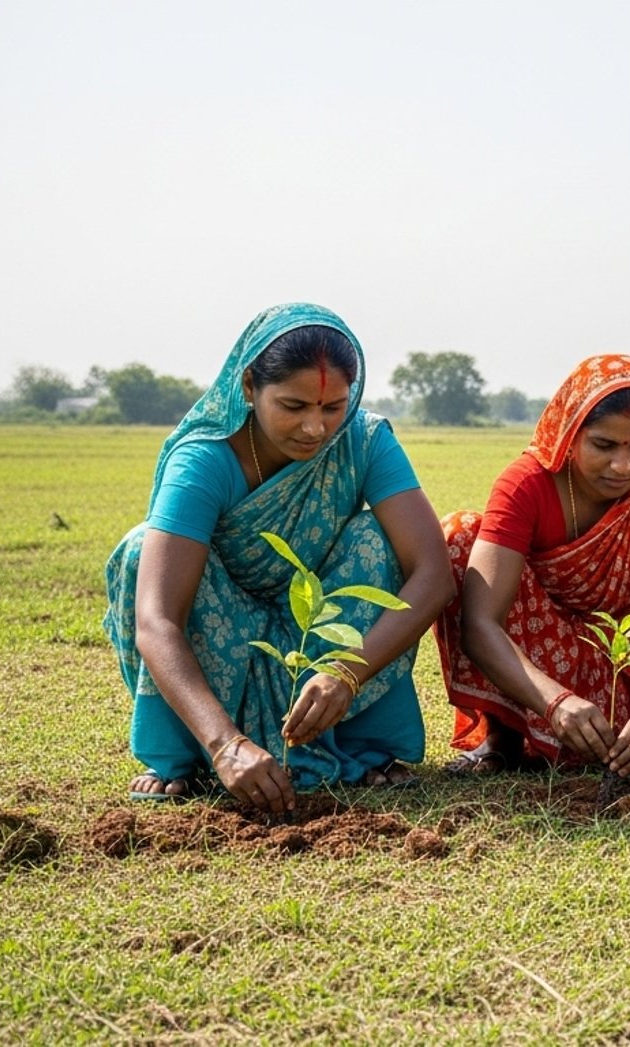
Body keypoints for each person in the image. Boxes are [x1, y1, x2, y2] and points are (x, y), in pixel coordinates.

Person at [104, 304, 452, 812]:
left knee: (379, 538)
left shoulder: (365, 441)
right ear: (249, 387)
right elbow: (157, 620)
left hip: (320, 630)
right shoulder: (203, 460)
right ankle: (195, 755)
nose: (315, 428)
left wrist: (346, 672)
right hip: (222, 635)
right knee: (142, 550)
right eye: (293, 406)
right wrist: (226, 744)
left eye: (332, 407)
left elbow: (433, 575)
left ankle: (357, 747)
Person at [434, 355, 630, 777]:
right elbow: (480, 623)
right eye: (604, 446)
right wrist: (554, 702)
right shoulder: (526, 484)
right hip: (541, 656)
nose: (623, 466)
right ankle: (504, 735)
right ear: (569, 434)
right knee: (461, 538)